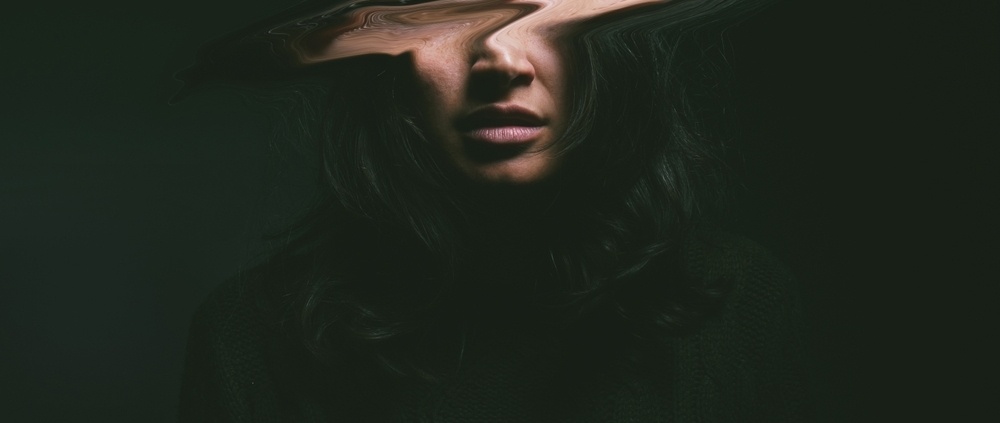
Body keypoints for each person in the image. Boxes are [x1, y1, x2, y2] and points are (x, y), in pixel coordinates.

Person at [178, 0, 810, 421]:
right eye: (450, 14)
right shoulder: (252, 339)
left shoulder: (742, 303)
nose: (502, 61)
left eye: (550, 12)